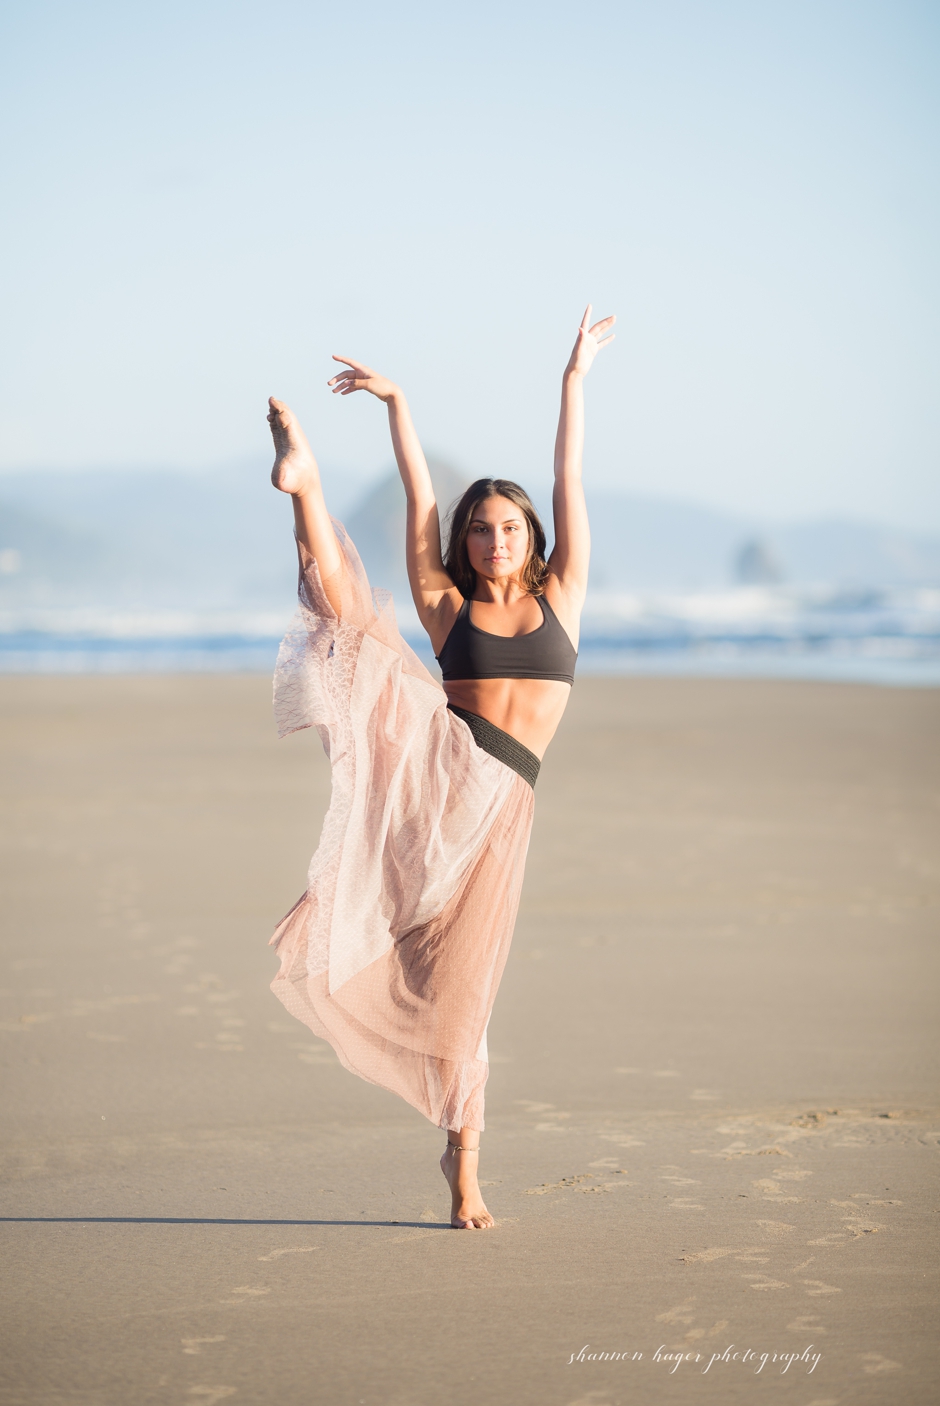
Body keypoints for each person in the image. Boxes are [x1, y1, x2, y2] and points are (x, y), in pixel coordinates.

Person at [267, 306, 615, 1228]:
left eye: (509, 529)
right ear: (464, 543)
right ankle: (303, 488)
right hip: (439, 772)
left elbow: (568, 472)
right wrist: (399, 406)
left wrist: (574, 379)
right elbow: (420, 499)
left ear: (530, 537)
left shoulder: (565, 597)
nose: (495, 541)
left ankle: (464, 1171)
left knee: (471, 990)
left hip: (500, 810)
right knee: (365, 632)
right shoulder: (447, 608)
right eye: (481, 530)